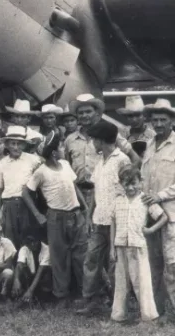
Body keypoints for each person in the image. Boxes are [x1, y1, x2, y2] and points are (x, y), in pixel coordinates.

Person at [22, 131, 88, 305]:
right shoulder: (41, 172)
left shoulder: (65, 164)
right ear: (52, 152)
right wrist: (38, 215)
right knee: (59, 257)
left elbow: (74, 187)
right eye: (59, 146)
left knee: (80, 255)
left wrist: (85, 207)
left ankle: (84, 294)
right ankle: (61, 295)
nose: (62, 149)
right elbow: (26, 192)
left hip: (76, 215)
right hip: (56, 218)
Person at [76, 119, 131, 316]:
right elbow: (95, 193)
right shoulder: (100, 162)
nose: (92, 143)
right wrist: (89, 216)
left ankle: (118, 302)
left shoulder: (122, 160)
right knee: (91, 259)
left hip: (117, 221)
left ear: (100, 140)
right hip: (99, 220)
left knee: (115, 262)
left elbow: (128, 192)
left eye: (93, 139)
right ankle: (91, 300)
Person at [110, 166, 166, 323]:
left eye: (133, 183)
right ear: (121, 184)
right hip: (121, 246)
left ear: (140, 181)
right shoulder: (118, 200)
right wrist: (111, 247)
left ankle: (148, 315)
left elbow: (163, 217)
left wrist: (150, 230)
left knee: (141, 281)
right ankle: (118, 314)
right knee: (121, 281)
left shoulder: (145, 200)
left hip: (138, 247)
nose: (130, 187)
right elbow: (113, 222)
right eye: (126, 184)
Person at [140, 98, 175, 321]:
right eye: (155, 120)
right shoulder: (150, 144)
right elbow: (144, 177)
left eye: (163, 120)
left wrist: (160, 195)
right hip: (150, 212)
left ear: (171, 121)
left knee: (172, 265)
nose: (159, 124)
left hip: (171, 214)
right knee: (153, 263)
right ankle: (158, 310)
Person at [0, 126, 41, 249]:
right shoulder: (2, 163)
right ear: (7, 144)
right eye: (13, 143)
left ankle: (28, 267)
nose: (16, 147)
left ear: (24, 145)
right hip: (8, 204)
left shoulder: (33, 160)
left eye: (19, 144)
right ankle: (11, 267)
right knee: (10, 241)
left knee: (28, 239)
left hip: (27, 204)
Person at [11, 232, 52, 303]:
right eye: (30, 242)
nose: (33, 244)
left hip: (41, 278)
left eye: (35, 241)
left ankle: (44, 297)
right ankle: (22, 294)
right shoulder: (24, 248)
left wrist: (30, 291)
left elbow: (40, 270)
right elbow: (19, 264)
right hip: (31, 277)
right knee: (21, 269)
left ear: (39, 240)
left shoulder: (46, 249)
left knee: (47, 274)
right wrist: (16, 280)